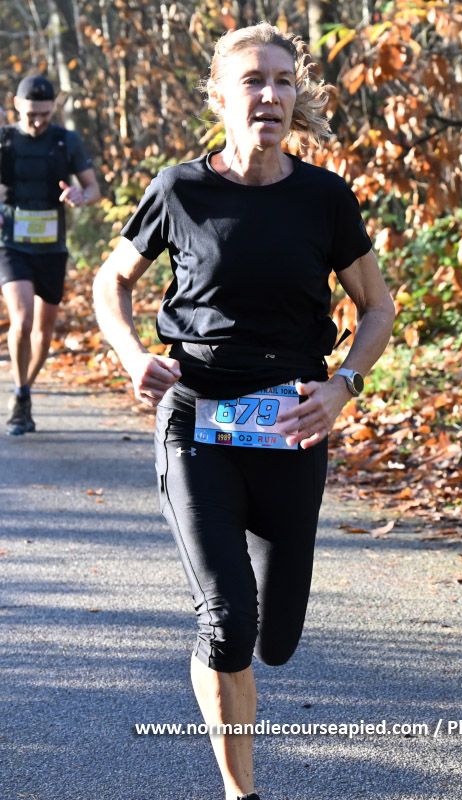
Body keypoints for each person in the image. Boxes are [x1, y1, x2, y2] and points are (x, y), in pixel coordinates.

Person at [93, 23, 395, 800]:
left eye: (284, 80)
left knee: (277, 639)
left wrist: (345, 386)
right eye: (254, 80)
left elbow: (377, 307)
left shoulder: (324, 197)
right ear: (220, 98)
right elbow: (110, 281)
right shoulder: (179, 190)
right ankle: (241, 792)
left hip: (292, 426)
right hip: (196, 419)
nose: (270, 93)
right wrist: (132, 355)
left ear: (297, 97)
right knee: (227, 621)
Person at [0, 74, 100, 435]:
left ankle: (25, 388)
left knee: (44, 333)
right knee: (23, 320)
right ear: (17, 105)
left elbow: (93, 188)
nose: (38, 121)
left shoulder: (65, 140)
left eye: (45, 114)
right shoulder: (5, 139)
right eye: (31, 114)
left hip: (52, 248)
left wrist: (80, 196)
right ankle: (19, 393)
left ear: (53, 109)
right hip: (11, 244)